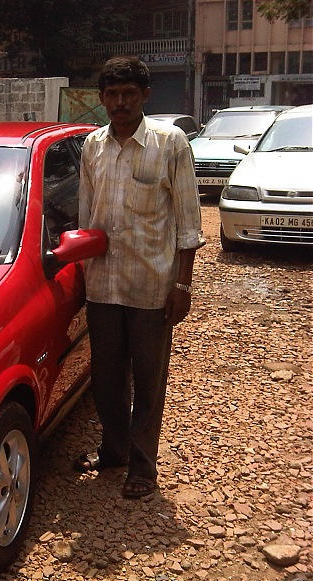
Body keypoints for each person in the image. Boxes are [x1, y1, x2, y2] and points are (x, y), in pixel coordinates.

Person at [74, 56, 205, 498]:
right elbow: (84, 221)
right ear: (102, 99)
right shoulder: (92, 146)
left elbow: (189, 222)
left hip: (152, 286)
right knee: (107, 379)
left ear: (145, 96)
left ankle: (143, 468)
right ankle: (115, 452)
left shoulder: (170, 143)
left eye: (129, 93)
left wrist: (183, 285)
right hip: (103, 286)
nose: (120, 102)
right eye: (111, 94)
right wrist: (77, 270)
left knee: (149, 379)